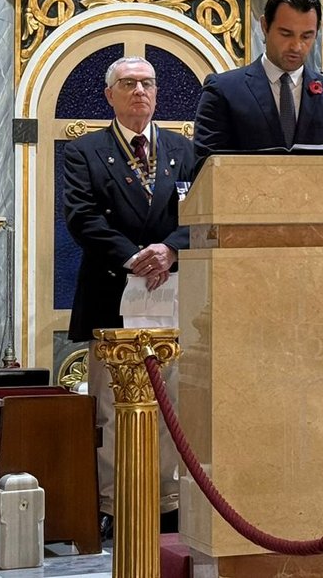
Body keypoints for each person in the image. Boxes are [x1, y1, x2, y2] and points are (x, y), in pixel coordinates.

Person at [62, 56, 197, 533]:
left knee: (171, 404)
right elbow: (81, 217)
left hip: (173, 297)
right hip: (111, 293)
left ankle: (167, 502)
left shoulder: (185, 149)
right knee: (112, 406)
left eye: (147, 84)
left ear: (157, 94)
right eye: (128, 84)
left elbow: (199, 216)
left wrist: (170, 250)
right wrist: (134, 257)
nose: (139, 91)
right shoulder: (85, 152)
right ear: (110, 95)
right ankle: (115, 505)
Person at [193, 0, 323, 161]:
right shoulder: (224, 91)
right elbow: (207, 170)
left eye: (306, 36)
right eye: (286, 34)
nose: (296, 46)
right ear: (265, 26)